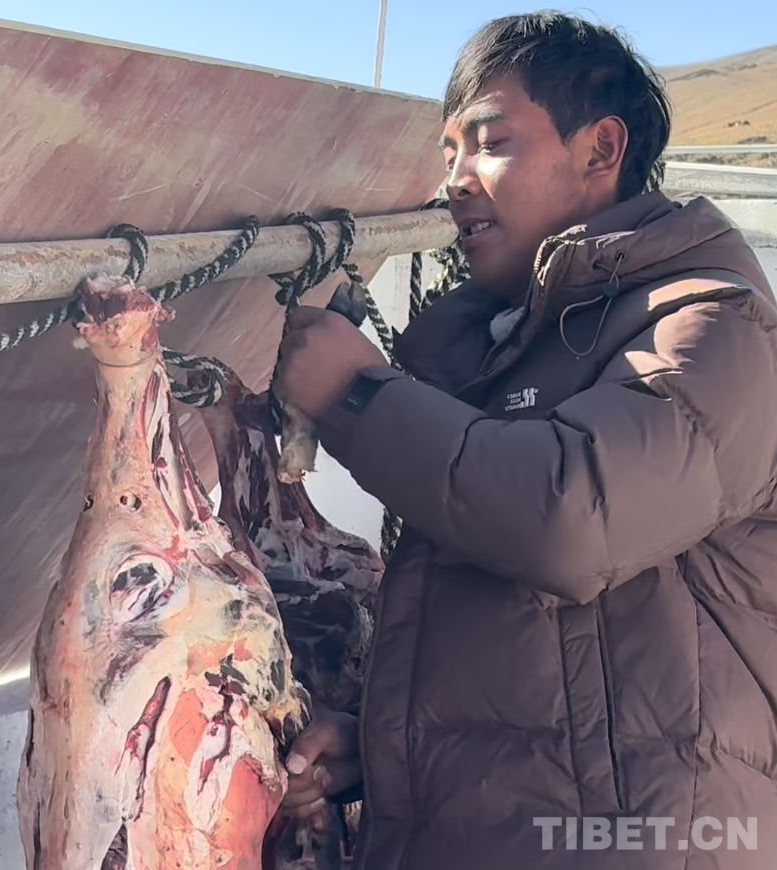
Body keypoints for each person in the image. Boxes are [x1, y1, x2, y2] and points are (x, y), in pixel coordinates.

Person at [275, 11, 777, 869]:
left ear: (600, 150)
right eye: (446, 156)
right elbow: (531, 658)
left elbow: (569, 518)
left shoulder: (711, 329)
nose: (456, 181)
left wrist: (358, 396)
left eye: (490, 143)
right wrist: (389, 749)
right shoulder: (503, 352)